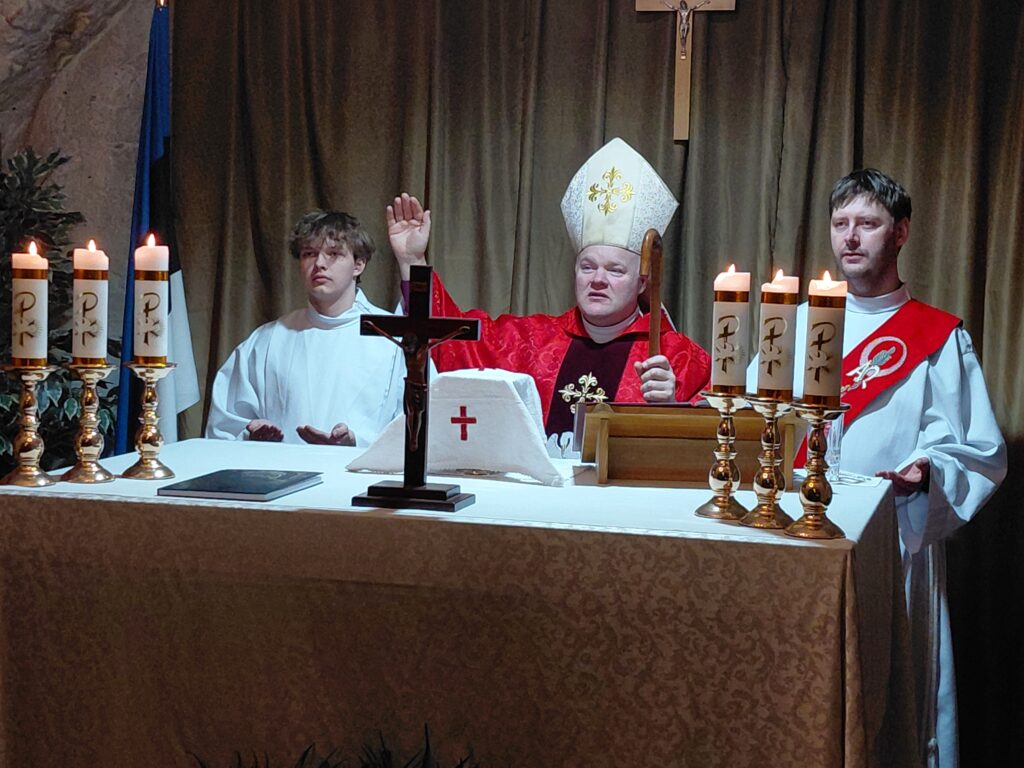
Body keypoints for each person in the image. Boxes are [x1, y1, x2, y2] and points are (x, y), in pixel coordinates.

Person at [749, 169, 1005, 768]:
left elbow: (977, 448)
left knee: (888, 697)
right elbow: (757, 420)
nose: (850, 237)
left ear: (901, 232)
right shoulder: (795, 324)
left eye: (867, 223)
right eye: (840, 223)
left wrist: (928, 474)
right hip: (793, 535)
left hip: (891, 537)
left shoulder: (937, 338)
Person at [386, 137, 711, 451]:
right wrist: (413, 261)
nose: (598, 280)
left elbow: (714, 437)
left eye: (615, 270)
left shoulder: (676, 358)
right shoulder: (530, 342)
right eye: (587, 267)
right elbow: (452, 339)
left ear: (642, 283)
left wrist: (672, 407)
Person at [206, 210, 405, 447]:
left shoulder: (392, 337)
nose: (319, 264)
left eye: (334, 253)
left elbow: (417, 428)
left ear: (358, 264)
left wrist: (355, 442)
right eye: (309, 254)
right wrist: (251, 436)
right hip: (283, 469)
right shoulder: (266, 341)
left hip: (363, 470)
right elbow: (224, 429)